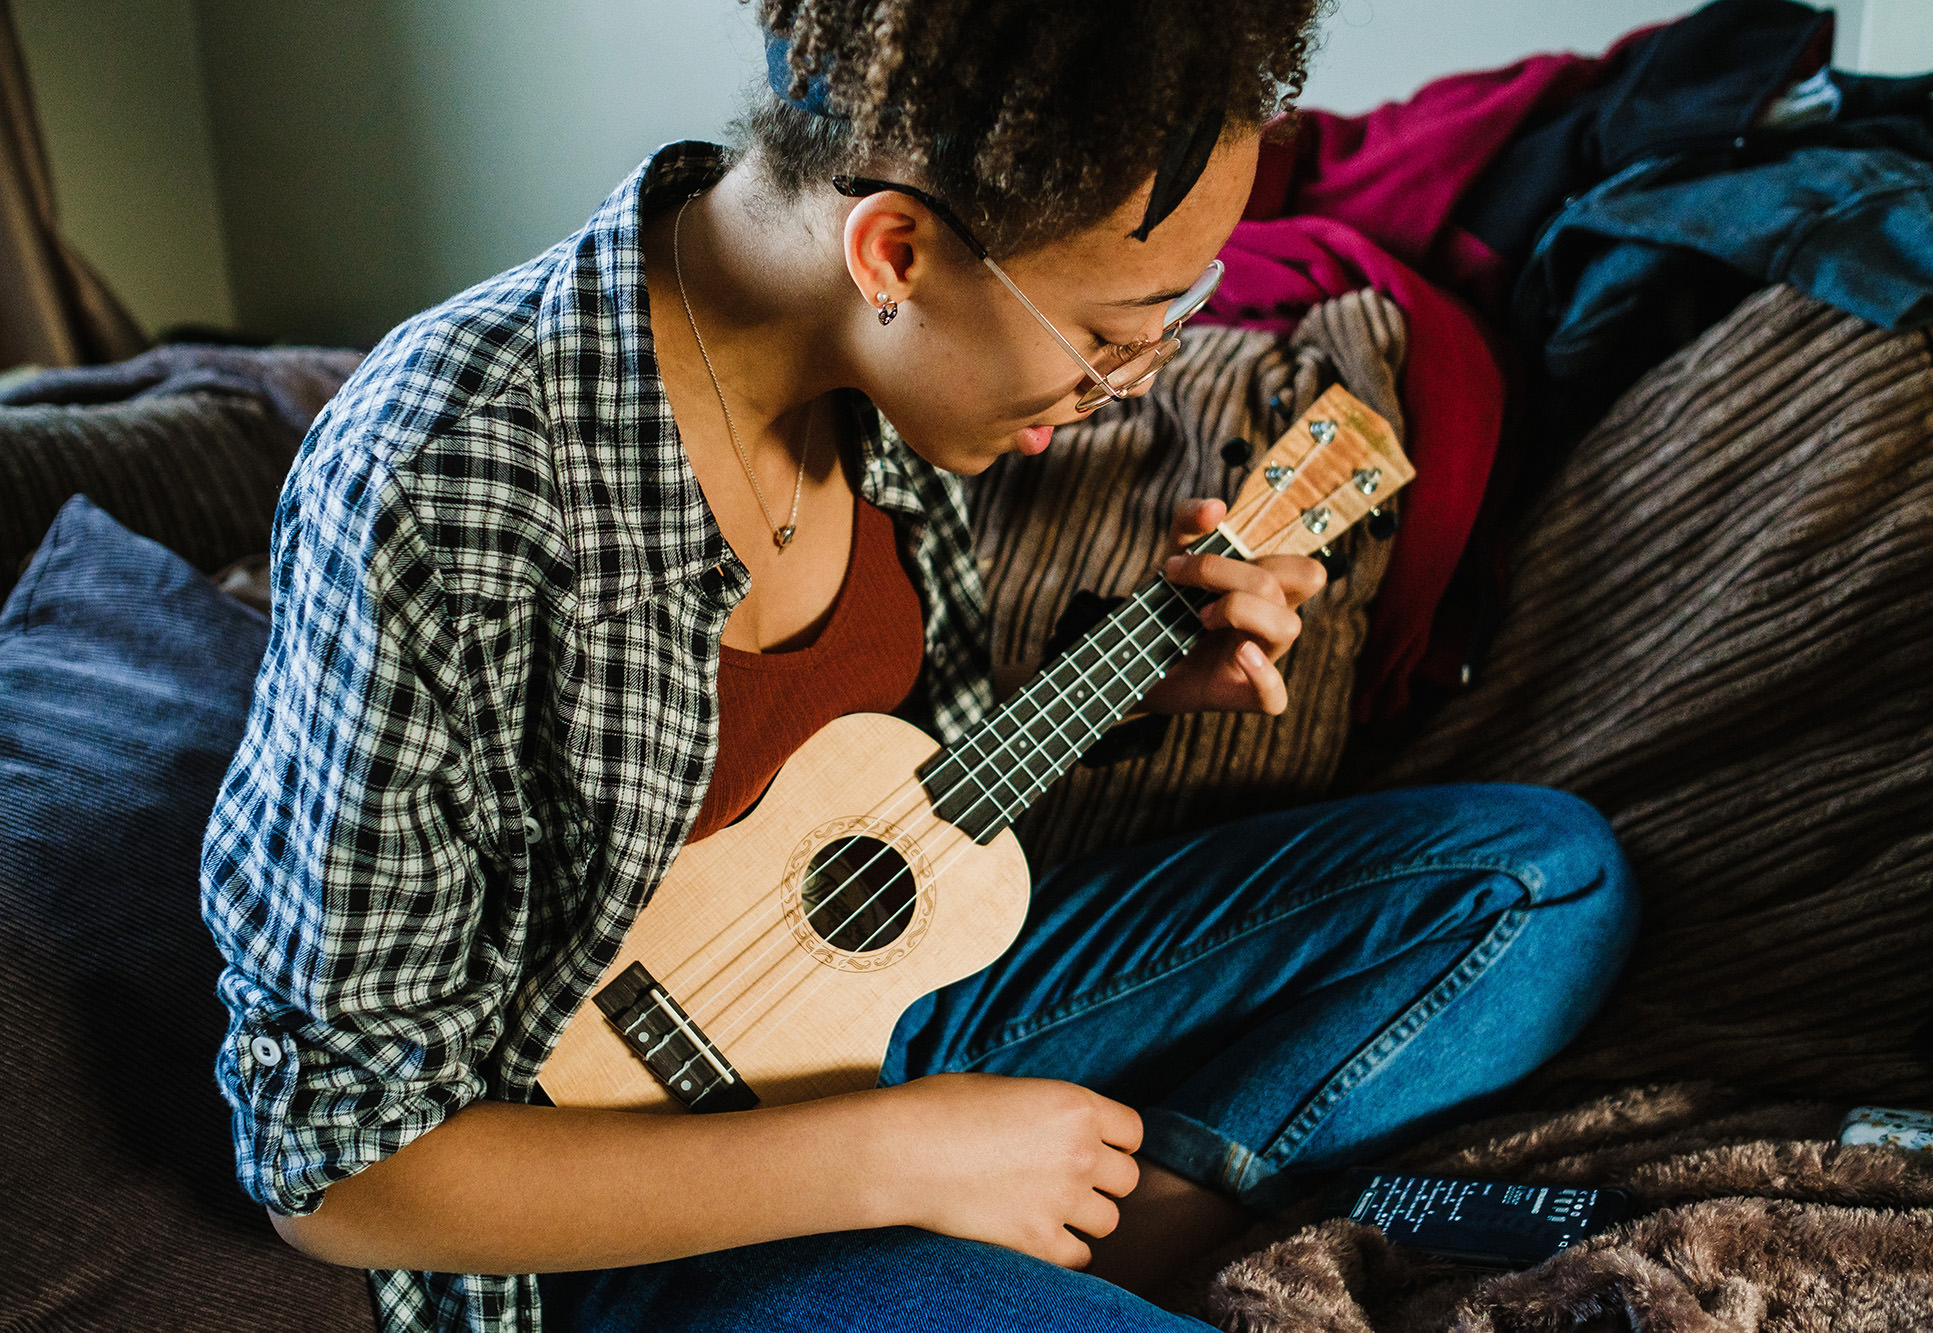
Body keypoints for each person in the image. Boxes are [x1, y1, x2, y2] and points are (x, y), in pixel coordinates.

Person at [201, 2, 1639, 1331]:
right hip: (624, 1199)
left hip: (883, 1020)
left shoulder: (872, 388)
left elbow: (863, 809)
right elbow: (339, 1168)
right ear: (893, 253)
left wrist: (1124, 684)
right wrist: (900, 1155)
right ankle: (1102, 1217)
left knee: (1543, 877)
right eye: (1106, 338)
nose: (1119, 395)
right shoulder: (448, 476)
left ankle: (1152, 1194)